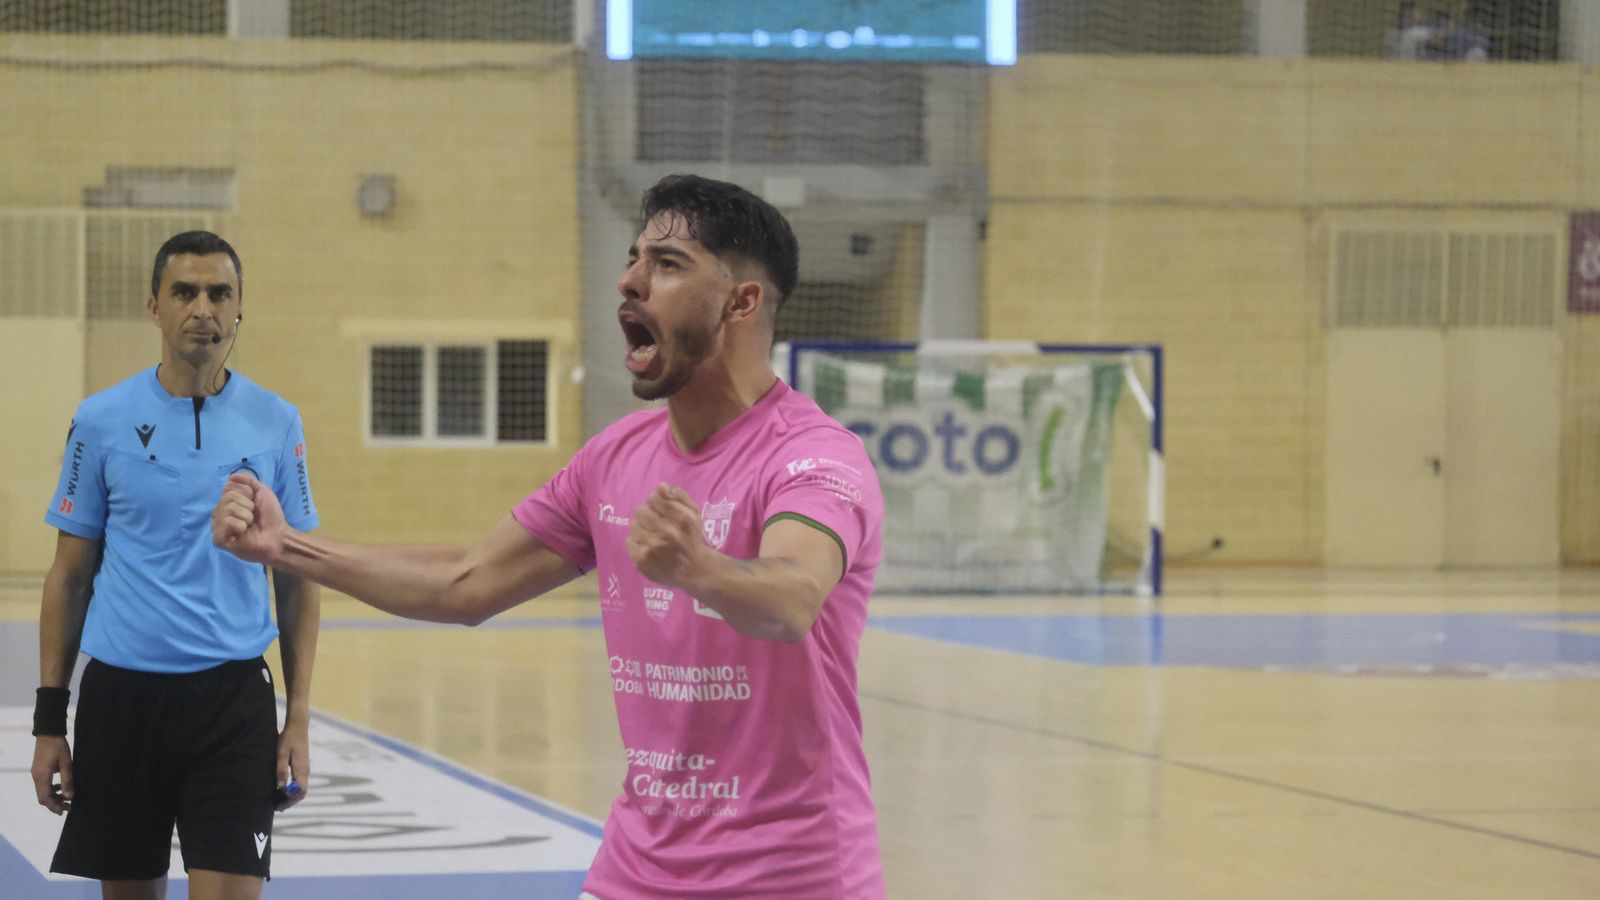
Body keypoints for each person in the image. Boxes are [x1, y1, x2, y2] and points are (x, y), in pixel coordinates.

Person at [211, 174, 887, 899]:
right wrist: (287, 548)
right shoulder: (614, 459)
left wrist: (700, 570)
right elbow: (466, 582)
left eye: (667, 264)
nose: (629, 281)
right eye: (633, 259)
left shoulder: (812, 457)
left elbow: (790, 599)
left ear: (742, 301)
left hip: (794, 880)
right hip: (634, 873)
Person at [31, 230, 322, 900]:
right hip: (122, 703)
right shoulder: (100, 421)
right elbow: (69, 578)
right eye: (184, 292)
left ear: (239, 307)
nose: (203, 308)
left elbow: (298, 579)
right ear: (153, 307)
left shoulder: (277, 421)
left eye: (219, 293)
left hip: (233, 706)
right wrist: (50, 723)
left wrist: (298, 715)